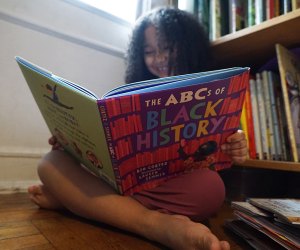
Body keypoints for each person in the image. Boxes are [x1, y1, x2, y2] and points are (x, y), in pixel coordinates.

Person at [28, 7, 247, 250]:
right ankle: (156, 224)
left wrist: (235, 144)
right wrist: (70, 141)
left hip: (173, 183)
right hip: (123, 181)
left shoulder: (211, 90)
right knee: (50, 163)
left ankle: (75, 199)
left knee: (211, 188)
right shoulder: (133, 95)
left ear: (187, 46)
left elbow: (222, 143)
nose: (160, 58)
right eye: (149, 52)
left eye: (167, 48)